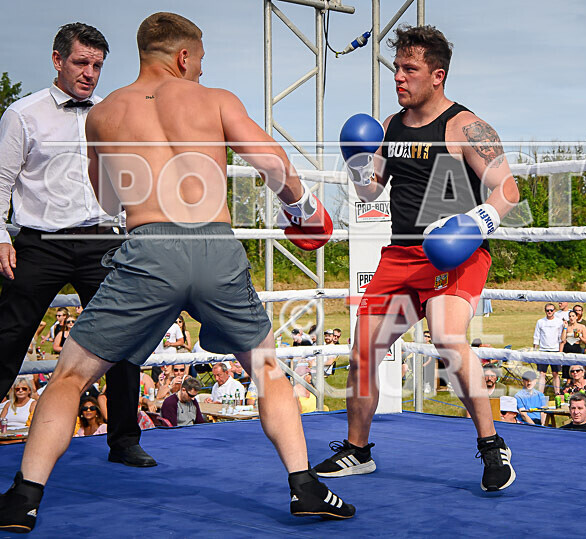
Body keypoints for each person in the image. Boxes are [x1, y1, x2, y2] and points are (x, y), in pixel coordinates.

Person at [0, 13, 354, 529]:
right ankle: (304, 487)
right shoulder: (215, 100)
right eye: (201, 59)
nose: (201, 68)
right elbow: (273, 162)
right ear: (184, 57)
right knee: (268, 371)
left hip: (148, 250)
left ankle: (24, 499)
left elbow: (105, 199)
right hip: (215, 246)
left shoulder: (104, 114)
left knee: (70, 376)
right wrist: (302, 210)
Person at [313, 24, 519, 493]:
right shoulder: (389, 126)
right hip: (401, 255)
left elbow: (507, 189)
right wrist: (356, 159)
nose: (399, 78)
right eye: (396, 68)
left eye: (410, 69)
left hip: (454, 255)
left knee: (447, 338)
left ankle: (492, 446)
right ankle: (358, 451)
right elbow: (371, 189)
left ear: (437, 75)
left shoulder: (467, 127)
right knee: (364, 349)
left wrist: (475, 225)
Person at [0, 22, 154, 470]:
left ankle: (124, 439)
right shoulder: (22, 114)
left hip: (102, 240)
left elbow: (130, 178)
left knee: (124, 338)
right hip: (38, 242)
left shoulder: (113, 112)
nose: (90, 73)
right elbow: (2, 180)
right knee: (9, 335)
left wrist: (134, 232)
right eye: (81, 62)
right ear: (57, 60)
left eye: (98, 65)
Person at [533, 303, 564, 393]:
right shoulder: (540, 322)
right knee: (542, 374)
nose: (549, 312)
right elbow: (536, 336)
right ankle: (540, 394)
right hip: (543, 350)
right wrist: (535, 350)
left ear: (554, 311)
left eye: (551, 310)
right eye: (547, 310)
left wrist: (560, 351)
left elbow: (561, 337)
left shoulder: (559, 322)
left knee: (555, 373)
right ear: (545, 311)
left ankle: (557, 393)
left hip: (555, 350)